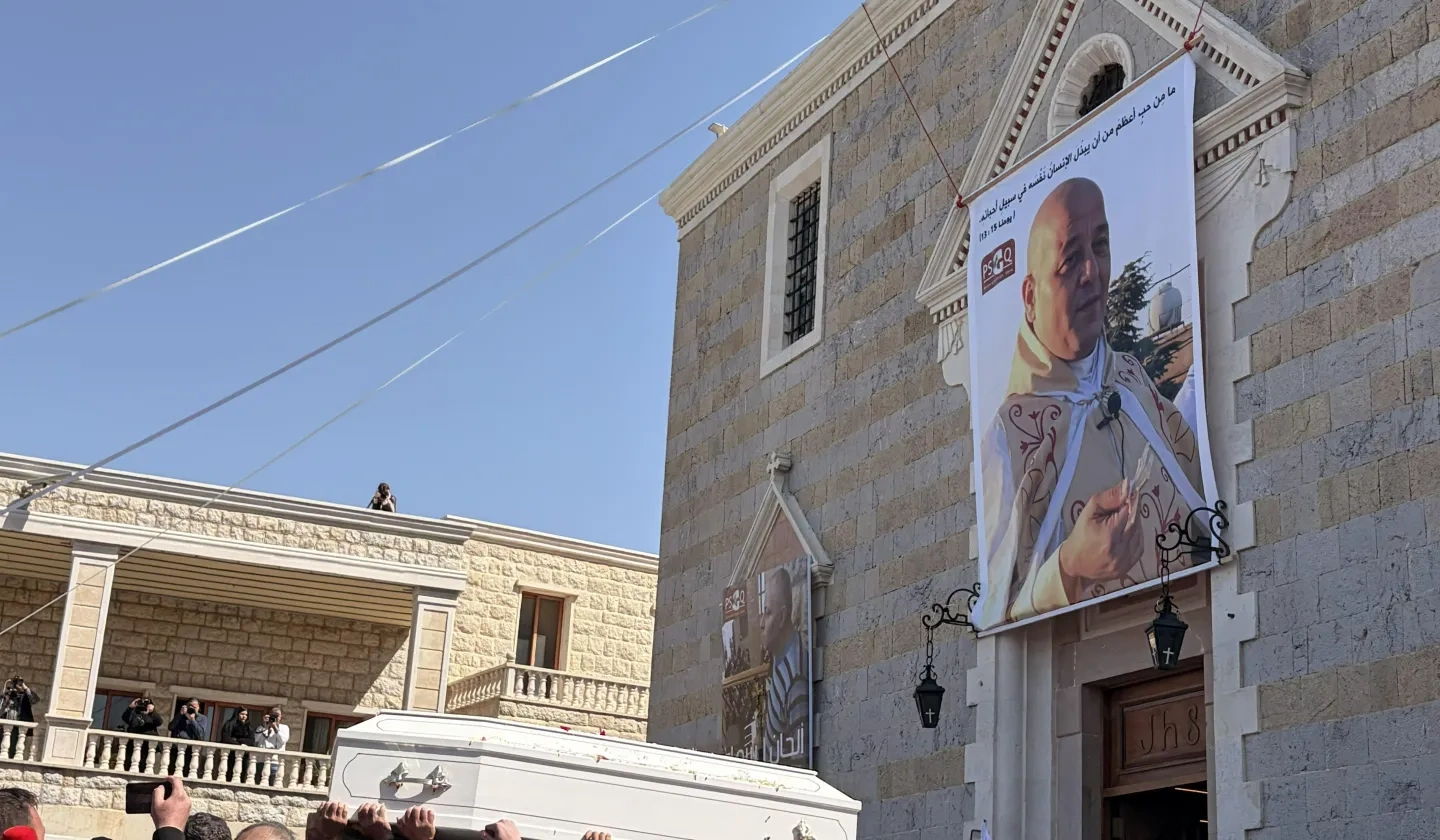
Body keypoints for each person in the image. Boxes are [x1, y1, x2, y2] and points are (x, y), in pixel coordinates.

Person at [977, 178, 1207, 629]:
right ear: (1029, 296)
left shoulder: (1132, 377)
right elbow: (993, 613)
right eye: (1069, 260)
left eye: (1100, 247)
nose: (1093, 273)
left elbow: (1199, 483)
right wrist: (1069, 565)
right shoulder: (1007, 440)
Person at [758, 565, 807, 764]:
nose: (761, 622)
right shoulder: (779, 660)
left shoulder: (795, 679)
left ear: (783, 617)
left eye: (767, 613)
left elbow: (799, 762)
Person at [254, 707, 289, 786]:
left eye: (277, 716)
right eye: (273, 715)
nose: (275, 718)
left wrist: (275, 727)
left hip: (274, 762)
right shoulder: (263, 727)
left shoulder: (284, 728)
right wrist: (264, 726)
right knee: (258, 785)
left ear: (280, 717)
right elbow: (256, 739)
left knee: (271, 785)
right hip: (261, 761)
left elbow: (283, 740)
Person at [220, 709, 255, 782]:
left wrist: (239, 740)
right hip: (230, 754)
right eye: (242, 714)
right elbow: (225, 738)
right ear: (237, 714)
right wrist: (238, 744)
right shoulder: (229, 724)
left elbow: (251, 741)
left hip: (243, 755)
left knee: (242, 775)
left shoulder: (248, 727)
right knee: (229, 773)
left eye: (246, 715)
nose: (244, 716)